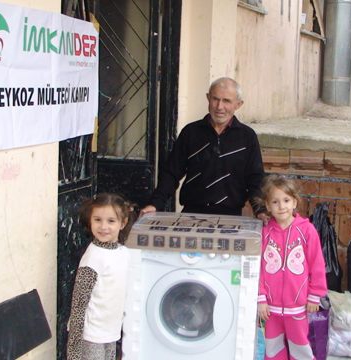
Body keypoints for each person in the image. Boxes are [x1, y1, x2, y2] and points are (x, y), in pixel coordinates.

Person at [140, 77, 267, 222]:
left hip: (231, 217)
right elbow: (171, 173)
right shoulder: (191, 132)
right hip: (191, 213)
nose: (219, 106)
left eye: (226, 101)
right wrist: (155, 204)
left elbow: (255, 178)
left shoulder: (247, 136)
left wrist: (260, 210)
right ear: (208, 98)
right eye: (215, 99)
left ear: (238, 104)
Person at [257, 175, 328, 360]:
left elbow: (317, 264)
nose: (281, 206)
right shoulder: (264, 234)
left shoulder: (307, 231)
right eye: (275, 201)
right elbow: (259, 269)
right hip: (270, 308)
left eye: (286, 200)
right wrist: (261, 297)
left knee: (300, 347)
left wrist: (315, 295)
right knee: (272, 348)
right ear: (267, 205)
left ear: (295, 202)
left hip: (298, 306)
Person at [66, 193, 137, 360]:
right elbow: (79, 304)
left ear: (123, 223)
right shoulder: (93, 258)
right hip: (91, 336)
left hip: (111, 333)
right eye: (97, 220)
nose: (103, 226)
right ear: (90, 221)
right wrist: (74, 352)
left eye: (111, 221)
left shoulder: (124, 253)